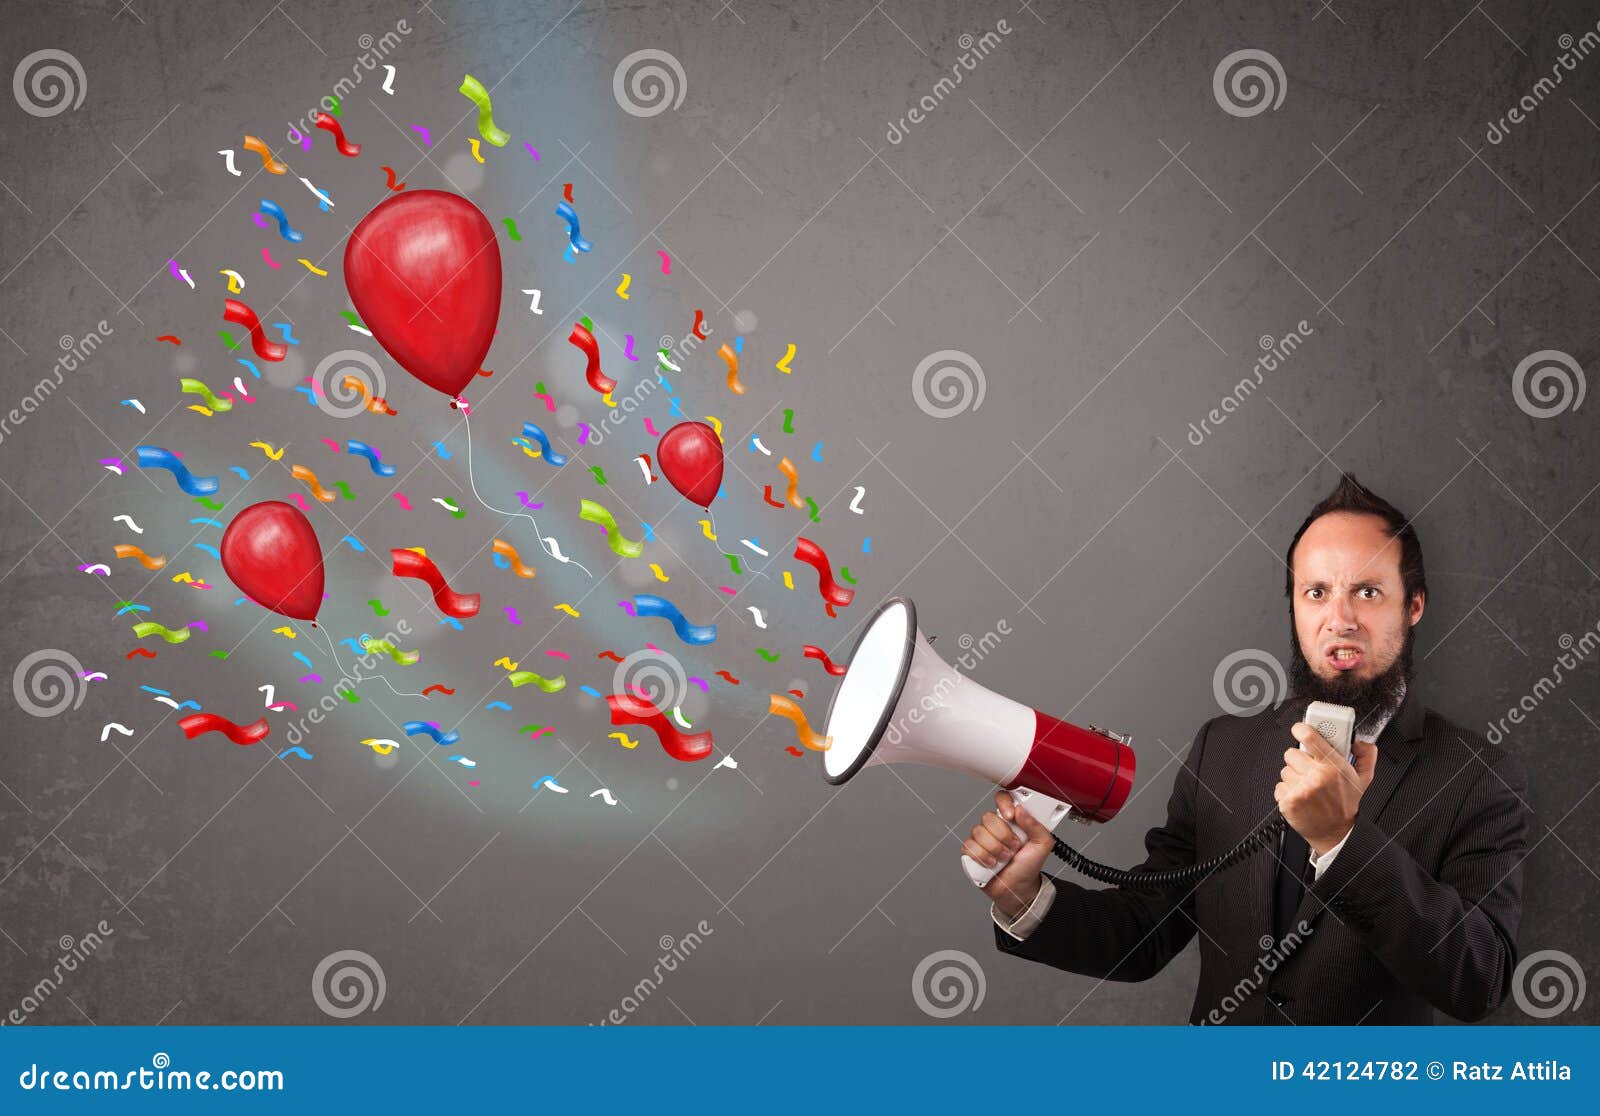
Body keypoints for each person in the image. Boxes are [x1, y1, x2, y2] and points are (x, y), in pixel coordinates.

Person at [961, 474, 1529, 1024]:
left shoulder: (1477, 777)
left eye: (1368, 592)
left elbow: (1478, 978)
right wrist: (1024, 897)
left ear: (1414, 605)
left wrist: (1342, 841)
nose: (1340, 620)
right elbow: (1143, 934)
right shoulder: (1222, 750)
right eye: (1316, 593)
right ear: (1295, 608)